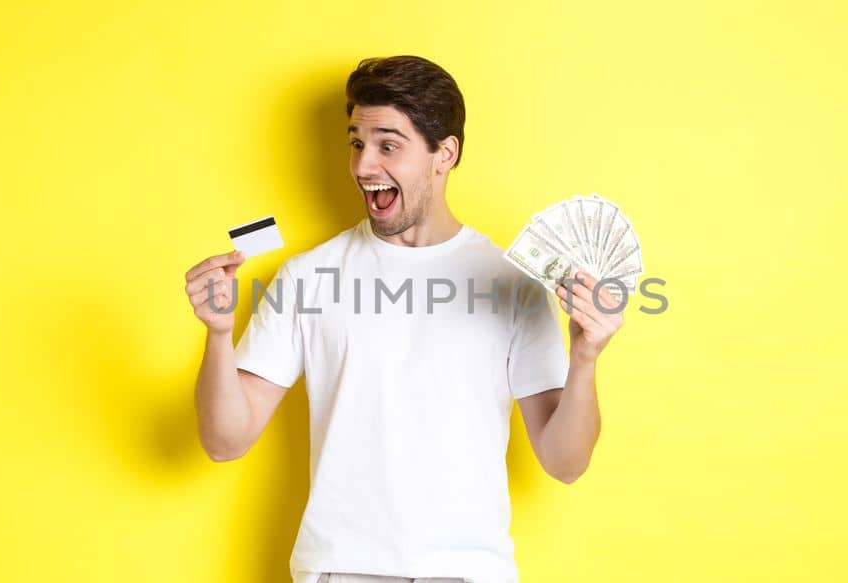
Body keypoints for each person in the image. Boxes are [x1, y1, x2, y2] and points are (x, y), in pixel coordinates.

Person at [182, 55, 623, 583]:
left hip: (466, 572)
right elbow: (224, 441)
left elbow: (565, 462)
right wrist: (218, 333)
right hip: (340, 570)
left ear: (445, 153)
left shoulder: (513, 284)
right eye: (357, 143)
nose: (365, 166)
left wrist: (586, 357)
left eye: (388, 145)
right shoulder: (307, 276)